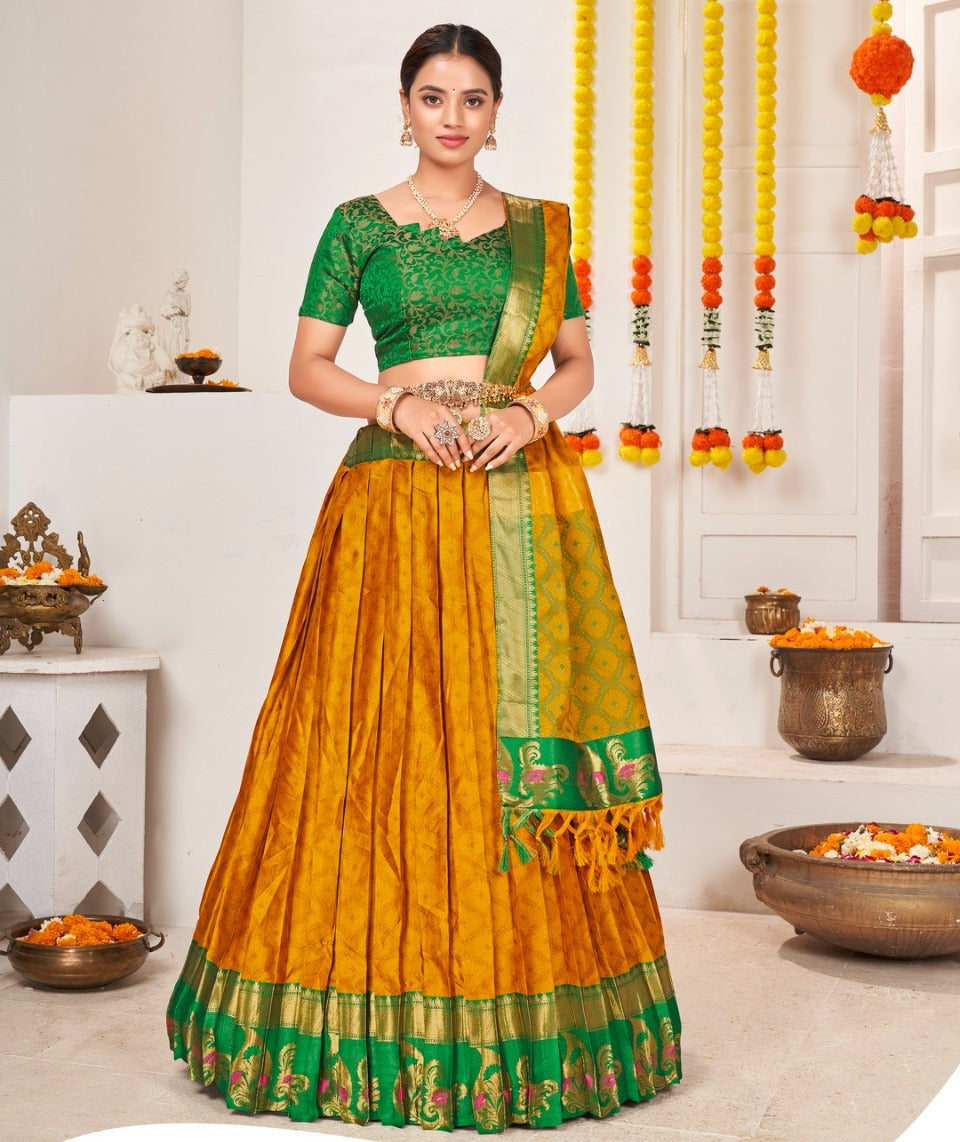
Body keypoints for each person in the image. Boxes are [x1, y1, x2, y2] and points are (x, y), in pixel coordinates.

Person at [166, 23, 681, 1132]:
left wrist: (527, 414)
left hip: (518, 502)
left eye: (474, 97)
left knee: (506, 734)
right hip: (392, 504)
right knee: (375, 734)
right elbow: (308, 367)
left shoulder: (542, 226)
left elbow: (579, 361)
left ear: (497, 112)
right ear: (405, 107)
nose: (454, 116)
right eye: (435, 96)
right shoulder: (358, 226)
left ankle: (536, 1027)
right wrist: (394, 404)